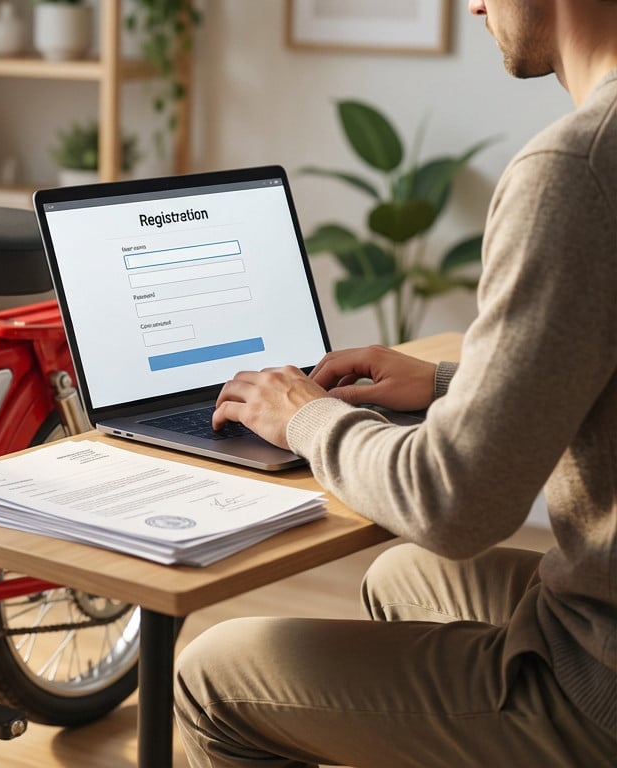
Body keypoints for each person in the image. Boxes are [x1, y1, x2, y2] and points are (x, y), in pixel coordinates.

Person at [173, 1, 617, 765]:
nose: (474, 4)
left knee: (211, 676)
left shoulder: (576, 169)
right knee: (401, 577)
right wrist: (453, 384)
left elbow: (452, 502)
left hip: (597, 681)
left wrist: (305, 418)